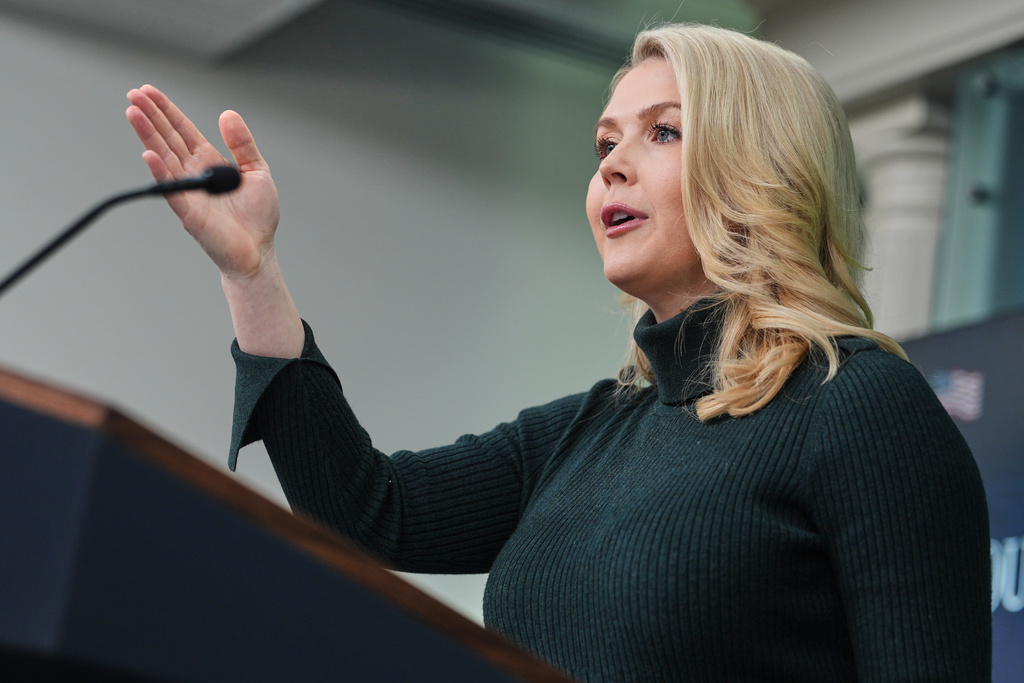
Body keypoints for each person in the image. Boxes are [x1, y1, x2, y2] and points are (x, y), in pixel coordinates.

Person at [126, 23, 991, 683]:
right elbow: (367, 507)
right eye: (604, 143)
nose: (611, 164)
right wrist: (253, 269)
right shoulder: (590, 429)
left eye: (662, 133)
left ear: (765, 168)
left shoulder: (861, 406)